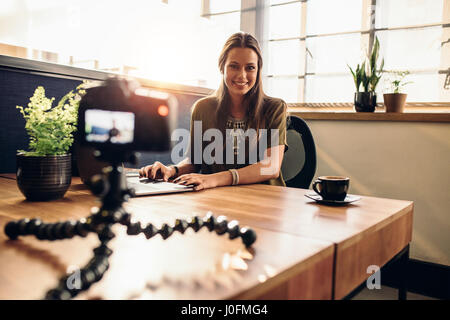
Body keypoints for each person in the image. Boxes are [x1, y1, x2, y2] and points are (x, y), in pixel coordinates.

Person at [139, 32, 287, 191]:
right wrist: (171, 170)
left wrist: (215, 179)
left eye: (250, 67)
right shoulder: (203, 108)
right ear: (222, 67)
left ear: (258, 70)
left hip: (264, 199)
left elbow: (271, 167)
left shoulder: (274, 108)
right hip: (217, 198)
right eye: (234, 66)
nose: (242, 75)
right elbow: (194, 162)